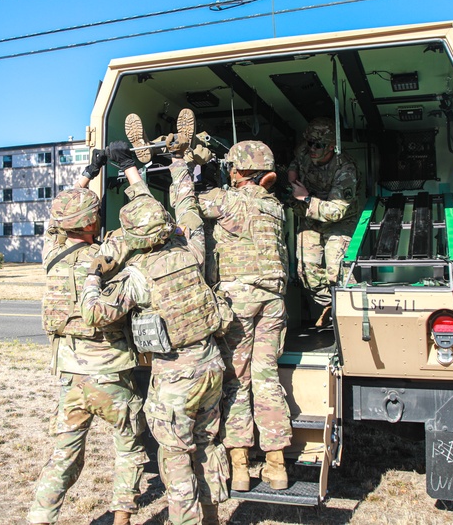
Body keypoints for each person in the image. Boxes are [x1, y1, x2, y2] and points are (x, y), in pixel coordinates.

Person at [79, 137, 230, 525]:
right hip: (211, 364)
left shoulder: (137, 275)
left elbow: (95, 314)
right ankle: (212, 514)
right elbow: (186, 209)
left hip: (174, 375)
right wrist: (147, 170)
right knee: (206, 443)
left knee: (175, 455)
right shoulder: (189, 249)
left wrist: (95, 275)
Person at [27, 150, 146, 525]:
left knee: (64, 453)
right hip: (111, 374)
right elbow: (147, 219)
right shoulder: (107, 257)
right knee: (128, 446)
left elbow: (56, 217)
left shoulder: (52, 254)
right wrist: (130, 171)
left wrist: (88, 173)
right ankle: (122, 516)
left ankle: (40, 517)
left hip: (70, 377)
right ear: (94, 221)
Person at [166, 138, 292, 492]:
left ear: (236, 171)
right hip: (274, 300)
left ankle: (240, 466)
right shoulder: (274, 206)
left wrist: (183, 167)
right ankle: (276, 465)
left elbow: (186, 207)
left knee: (238, 380)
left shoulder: (226, 199)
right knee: (268, 380)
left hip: (239, 301)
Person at [287, 117, 359, 326]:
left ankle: (350, 316)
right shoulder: (305, 150)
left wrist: (307, 198)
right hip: (310, 217)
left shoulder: (345, 169)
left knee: (337, 269)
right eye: (310, 143)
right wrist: (292, 172)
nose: (312, 149)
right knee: (307, 273)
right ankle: (332, 305)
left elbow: (336, 211)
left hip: (338, 219)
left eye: (318, 145)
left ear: (332, 146)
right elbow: (296, 159)